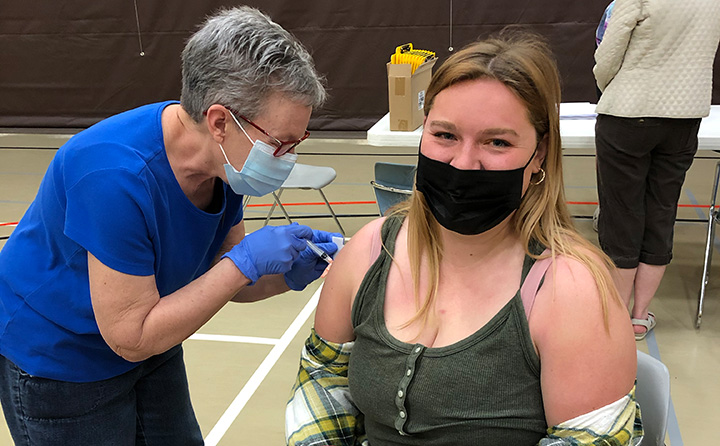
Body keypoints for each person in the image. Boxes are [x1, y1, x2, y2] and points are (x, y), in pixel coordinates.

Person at [0, 6, 340, 445]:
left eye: (298, 141)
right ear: (219, 121)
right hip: (64, 359)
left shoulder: (225, 163)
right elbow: (132, 336)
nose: (288, 158)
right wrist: (245, 262)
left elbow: (221, 276)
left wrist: (286, 275)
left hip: (150, 334)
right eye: (281, 143)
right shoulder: (114, 177)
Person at [287, 32, 640, 446]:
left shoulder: (572, 291)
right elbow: (323, 382)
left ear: (539, 154)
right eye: (445, 135)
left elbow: (588, 439)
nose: (463, 162)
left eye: (497, 142)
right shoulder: (369, 253)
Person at [593, 0, 720, 340]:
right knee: (662, 210)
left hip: (629, 110)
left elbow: (607, 56)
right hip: (684, 116)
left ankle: (618, 314)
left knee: (622, 212)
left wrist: (611, 88)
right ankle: (639, 316)